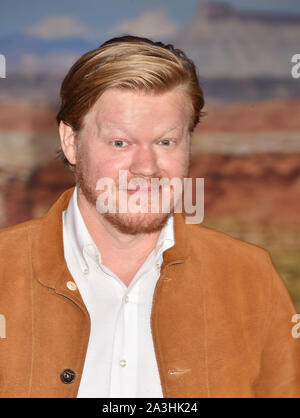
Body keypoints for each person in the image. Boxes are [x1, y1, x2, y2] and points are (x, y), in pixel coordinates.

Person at [0, 35, 299, 398]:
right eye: (120, 143)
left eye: (166, 142)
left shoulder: (251, 277)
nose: (146, 167)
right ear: (70, 142)